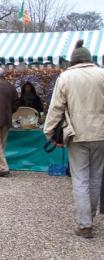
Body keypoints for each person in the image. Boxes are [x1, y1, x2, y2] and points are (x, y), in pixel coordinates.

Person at [44, 40, 104, 239]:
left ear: (73, 61)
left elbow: (56, 107)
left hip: (76, 134)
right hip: (101, 133)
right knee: (96, 178)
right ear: (89, 58)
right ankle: (89, 219)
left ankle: (85, 224)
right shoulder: (102, 73)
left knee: (80, 179)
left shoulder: (66, 77)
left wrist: (49, 130)